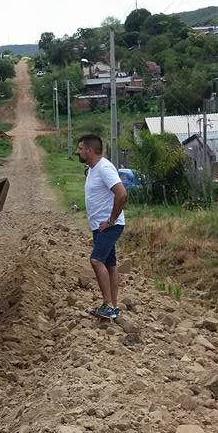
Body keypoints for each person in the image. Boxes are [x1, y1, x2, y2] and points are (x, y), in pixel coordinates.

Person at [76, 134, 127, 320]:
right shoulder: (92, 169)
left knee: (96, 261)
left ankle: (107, 305)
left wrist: (111, 220)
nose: (78, 152)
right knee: (110, 265)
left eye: (80, 148)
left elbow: (121, 194)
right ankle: (113, 307)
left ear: (89, 150)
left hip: (109, 225)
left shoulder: (105, 168)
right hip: (100, 226)